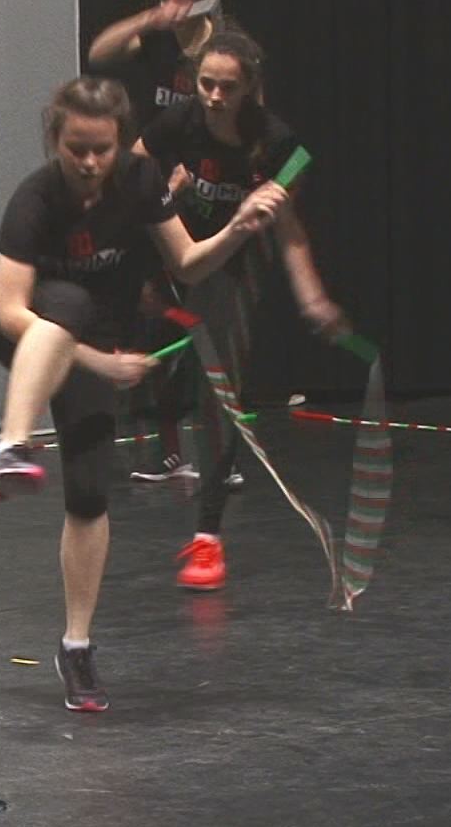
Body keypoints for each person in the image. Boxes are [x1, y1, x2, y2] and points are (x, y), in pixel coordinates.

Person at [0, 75, 286, 712]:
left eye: (102, 149)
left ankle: (77, 646)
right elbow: (9, 310)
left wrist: (238, 227)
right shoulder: (34, 200)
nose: (90, 163)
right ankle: (11, 445)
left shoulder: (141, 181)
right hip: (27, 328)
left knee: (90, 493)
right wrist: (98, 362)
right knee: (65, 304)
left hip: (94, 338)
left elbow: (188, 263)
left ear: (120, 143)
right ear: (54, 140)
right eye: (76, 150)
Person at [132, 30, 346, 593]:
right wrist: (165, 191)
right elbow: (130, 170)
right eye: (206, 83)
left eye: (227, 87)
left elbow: (289, 229)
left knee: (219, 390)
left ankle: (208, 536)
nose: (214, 96)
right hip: (175, 245)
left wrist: (311, 294)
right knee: (154, 364)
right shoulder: (179, 121)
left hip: (231, 264)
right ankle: (168, 452)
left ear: (250, 87)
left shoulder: (280, 144)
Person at [86, 0, 223, 132]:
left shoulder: (226, 41)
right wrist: (148, 19)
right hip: (155, 144)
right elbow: (97, 55)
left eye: (181, 0)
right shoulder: (157, 36)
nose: (170, 9)